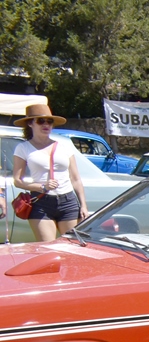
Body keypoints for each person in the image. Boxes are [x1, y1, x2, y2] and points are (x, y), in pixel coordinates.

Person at [12, 103, 89, 242]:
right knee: (47, 247)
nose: (46, 125)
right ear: (30, 123)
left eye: (49, 121)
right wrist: (41, 186)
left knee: (71, 247)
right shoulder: (23, 148)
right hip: (41, 202)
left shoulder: (63, 146)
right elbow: (17, 181)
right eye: (41, 121)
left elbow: (76, 179)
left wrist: (83, 205)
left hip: (68, 201)